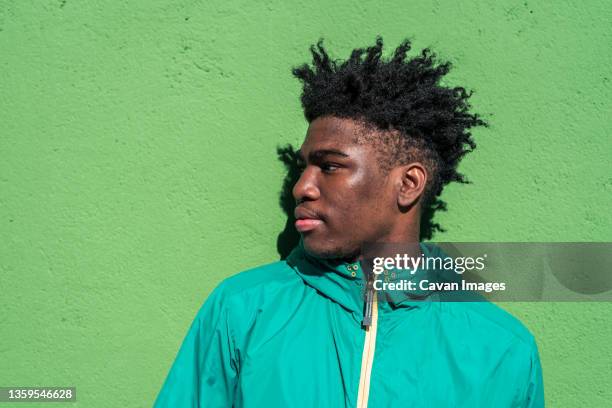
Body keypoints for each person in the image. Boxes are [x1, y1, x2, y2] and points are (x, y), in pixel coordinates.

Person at [154, 37, 544, 407]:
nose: (302, 188)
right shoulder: (241, 309)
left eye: (330, 166)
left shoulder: (501, 348)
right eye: (303, 168)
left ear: (408, 184)